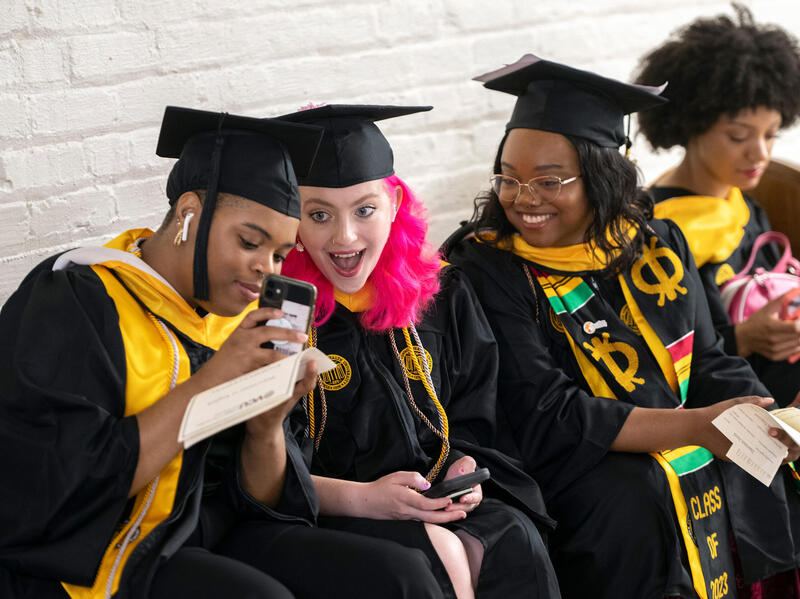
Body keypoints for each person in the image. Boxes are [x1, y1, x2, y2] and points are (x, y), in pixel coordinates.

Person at [0, 106, 445, 599]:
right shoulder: (79, 298)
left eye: (279, 254)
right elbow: (63, 487)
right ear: (189, 212)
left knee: (400, 576)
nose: (265, 270)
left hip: (211, 532)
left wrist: (267, 423)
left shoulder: (237, 319)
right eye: (250, 242)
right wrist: (214, 380)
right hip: (101, 550)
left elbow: (263, 501)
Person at [444, 55, 800, 599]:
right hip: (567, 460)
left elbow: (708, 360)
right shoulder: (487, 269)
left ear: (602, 176)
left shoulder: (659, 243)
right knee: (636, 494)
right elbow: (548, 413)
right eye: (509, 179)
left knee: (770, 465)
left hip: (678, 426)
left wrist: (767, 419)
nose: (523, 199)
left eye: (549, 180)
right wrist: (698, 428)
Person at [279, 104, 561, 599]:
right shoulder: (279, 314)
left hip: (433, 498)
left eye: (365, 209)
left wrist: (466, 471)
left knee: (512, 538)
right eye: (318, 214)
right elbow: (266, 470)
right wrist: (367, 500)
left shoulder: (442, 294)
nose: (344, 237)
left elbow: (477, 416)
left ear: (395, 205)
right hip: (338, 513)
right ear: (290, 220)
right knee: (438, 554)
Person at [634, 5, 800, 407]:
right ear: (692, 123)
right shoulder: (660, 230)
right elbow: (665, 352)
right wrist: (746, 336)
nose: (759, 153)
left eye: (771, 135)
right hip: (729, 402)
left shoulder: (743, 204)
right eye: (739, 136)